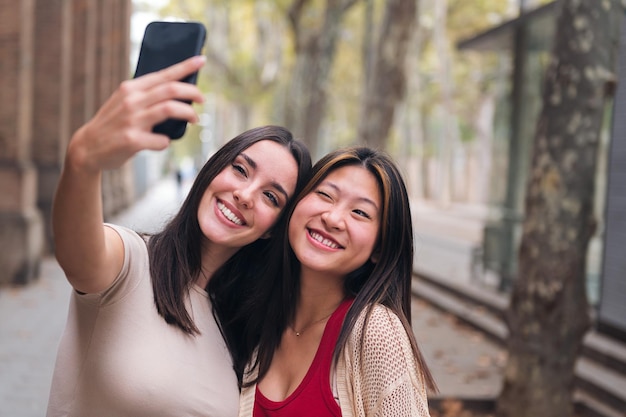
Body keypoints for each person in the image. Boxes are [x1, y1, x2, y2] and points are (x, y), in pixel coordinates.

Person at [47, 56, 312, 417]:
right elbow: (77, 255)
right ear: (212, 170)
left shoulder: (247, 332)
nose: (245, 195)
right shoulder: (129, 263)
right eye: (239, 170)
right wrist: (82, 161)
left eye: (271, 196)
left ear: (273, 232)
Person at [231, 147, 437, 417]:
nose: (332, 218)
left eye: (360, 213)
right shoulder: (258, 316)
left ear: (379, 248)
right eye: (325, 195)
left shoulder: (375, 332)